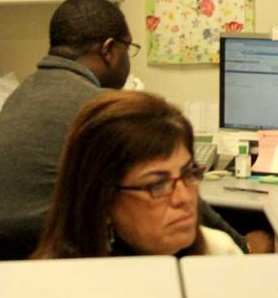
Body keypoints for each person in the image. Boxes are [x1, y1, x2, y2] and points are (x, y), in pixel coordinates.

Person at [0, 0, 269, 257]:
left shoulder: (23, 92)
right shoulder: (99, 111)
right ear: (109, 49)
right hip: (57, 247)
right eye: (128, 49)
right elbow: (180, 197)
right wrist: (243, 245)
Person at [34, 91, 240, 257]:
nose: (184, 198)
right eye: (157, 185)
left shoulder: (219, 253)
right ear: (102, 202)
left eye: (188, 174)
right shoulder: (58, 290)